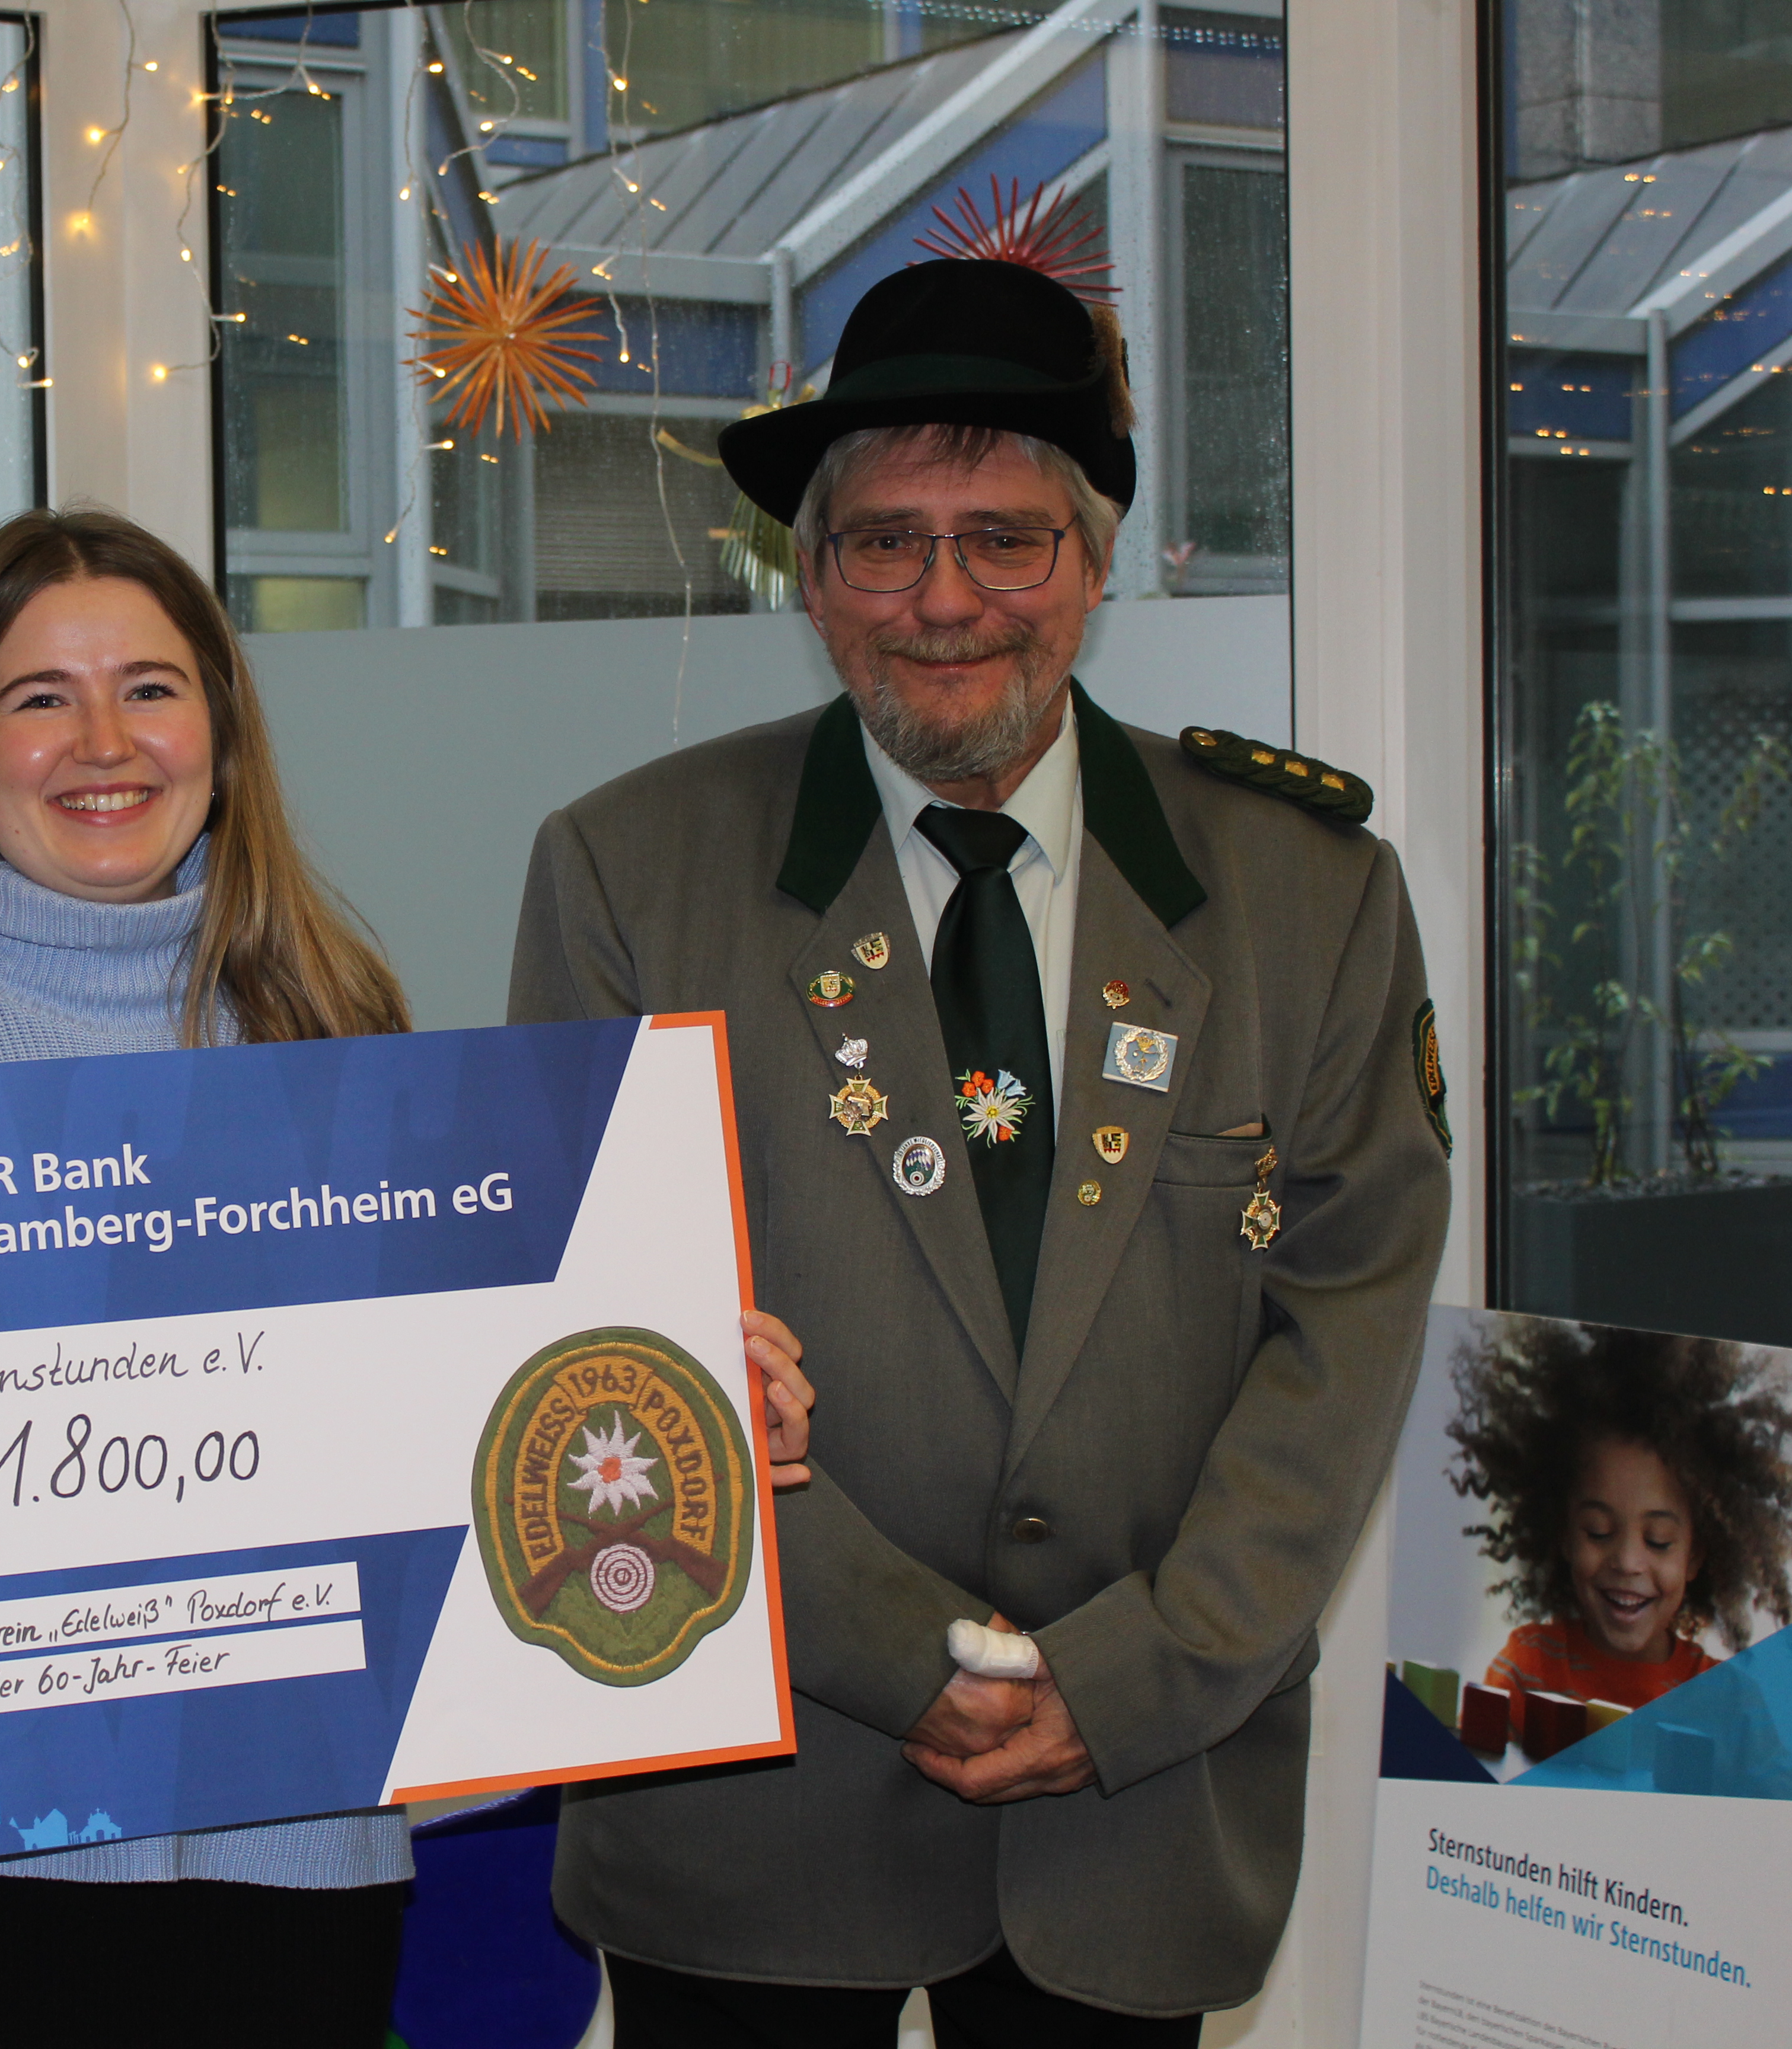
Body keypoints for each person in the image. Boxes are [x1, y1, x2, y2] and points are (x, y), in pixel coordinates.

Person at [0, 506, 813, 2048]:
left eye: (152, 687)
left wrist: (694, 1408)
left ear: (222, 738)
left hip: (286, 1880)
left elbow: (458, 1490)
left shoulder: (348, 1055)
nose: (102, 740)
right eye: (39, 696)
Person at [508, 257, 1455, 2043]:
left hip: (1141, 1801)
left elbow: (1345, 1333)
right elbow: (600, 1350)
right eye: (886, 541)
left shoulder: (1308, 896)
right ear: (810, 577)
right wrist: (899, 1658)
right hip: (754, 1797)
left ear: (1096, 568)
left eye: (1006, 538)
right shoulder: (630, 874)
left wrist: (1127, 1681)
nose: (945, 600)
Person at [1449, 1320, 1792, 1724]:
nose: (1628, 1561)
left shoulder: (1727, 1701)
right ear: (1562, 1534)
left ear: (1695, 1556)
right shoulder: (1526, 1670)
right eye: (1598, 1531)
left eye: (1659, 1540)